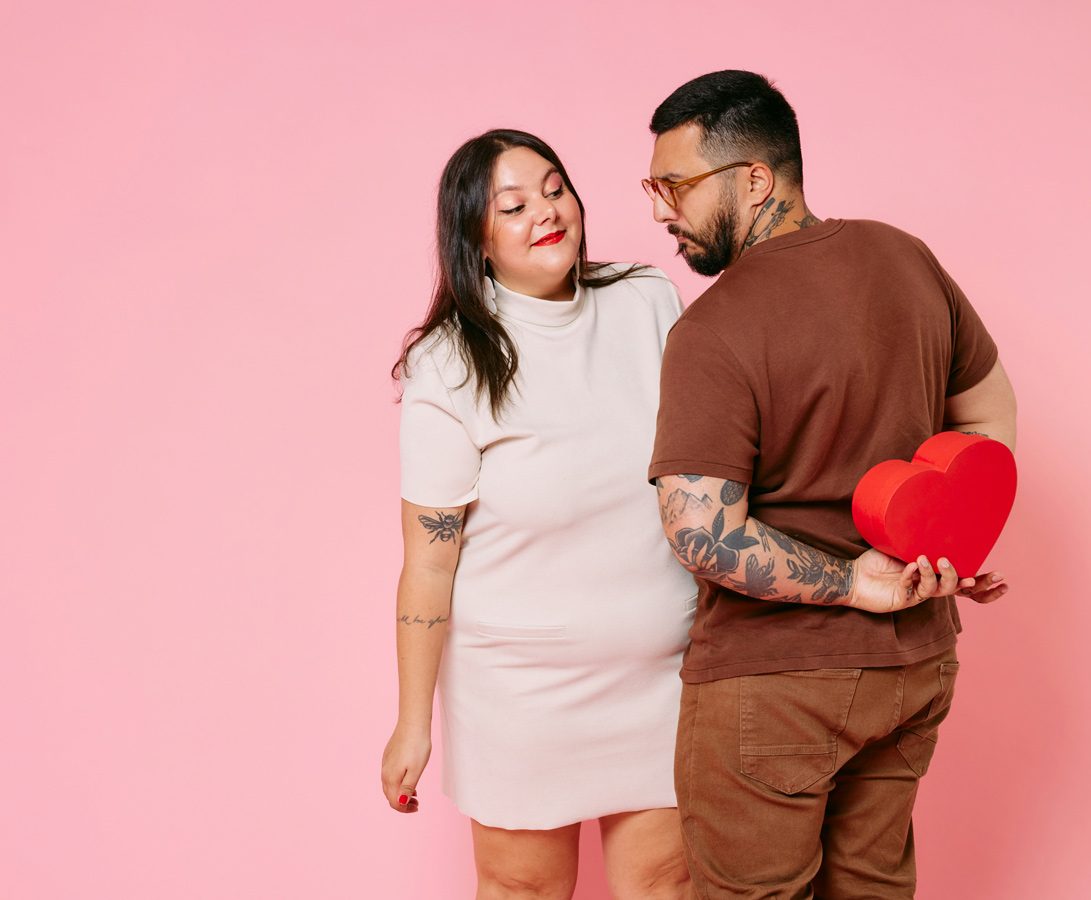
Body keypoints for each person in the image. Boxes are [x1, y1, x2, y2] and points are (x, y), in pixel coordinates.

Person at [642, 71, 1018, 899]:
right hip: (916, 665)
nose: (662, 210)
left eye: (676, 186)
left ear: (753, 179)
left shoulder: (713, 330)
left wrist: (853, 582)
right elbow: (989, 414)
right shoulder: (905, 258)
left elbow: (701, 533)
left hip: (772, 689)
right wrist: (951, 545)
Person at [380, 129, 698, 900]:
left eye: (555, 189)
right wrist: (412, 721)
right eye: (513, 206)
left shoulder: (646, 297)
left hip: (661, 679)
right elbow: (429, 560)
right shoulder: (450, 364)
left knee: (666, 883)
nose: (545, 213)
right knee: (524, 892)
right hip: (520, 696)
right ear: (476, 243)